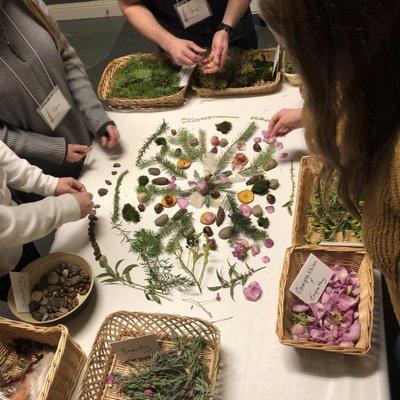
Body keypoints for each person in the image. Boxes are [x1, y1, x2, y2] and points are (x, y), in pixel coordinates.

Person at [259, 0, 400, 387]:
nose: (294, 66)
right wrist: (311, 115)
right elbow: (364, 114)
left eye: (294, 52)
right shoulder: (381, 78)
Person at [0, 0, 120, 180]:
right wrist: (54, 150)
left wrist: (97, 117)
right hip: (42, 177)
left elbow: (67, 58)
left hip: (90, 146)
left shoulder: (28, 4)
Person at [0, 140, 94, 300]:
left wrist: (50, 184)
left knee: (38, 273)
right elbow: (5, 225)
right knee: (22, 299)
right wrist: (67, 207)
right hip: (2, 265)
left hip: (19, 239)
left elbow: (3, 157)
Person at [118, 0, 257, 73]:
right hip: (176, 35)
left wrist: (226, 27)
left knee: (247, 75)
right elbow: (130, 5)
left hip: (231, 17)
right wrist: (168, 42)